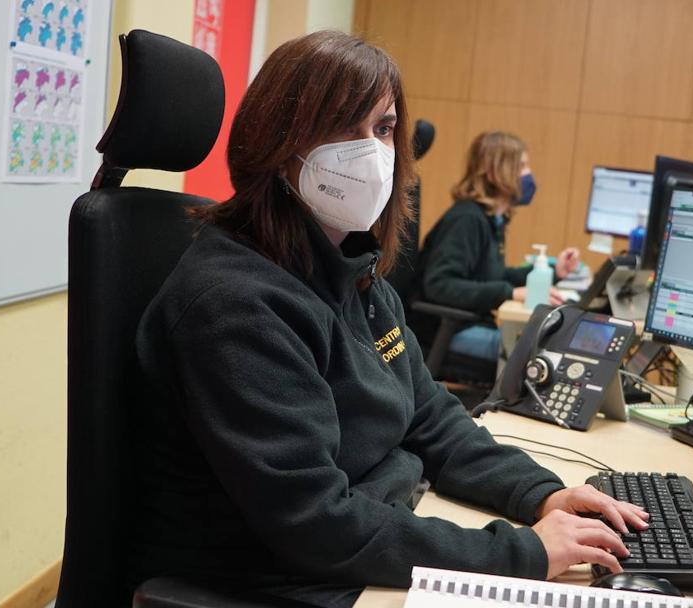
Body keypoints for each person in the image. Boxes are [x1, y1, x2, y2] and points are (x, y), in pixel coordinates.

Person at [133, 31, 646, 608]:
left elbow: (428, 416)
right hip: (283, 582)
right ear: (277, 144)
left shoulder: (351, 271)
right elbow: (313, 522)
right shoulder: (234, 303)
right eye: (341, 127)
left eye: (382, 128)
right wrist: (521, 554)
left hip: (367, 538)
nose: (371, 153)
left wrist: (540, 497)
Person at [411, 132, 581, 362]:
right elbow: (440, 285)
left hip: (468, 324)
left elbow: (495, 275)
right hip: (444, 331)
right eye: (520, 166)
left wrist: (554, 273)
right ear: (493, 172)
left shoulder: (492, 219)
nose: (528, 174)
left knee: (548, 345)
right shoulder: (467, 220)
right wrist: (510, 292)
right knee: (540, 354)